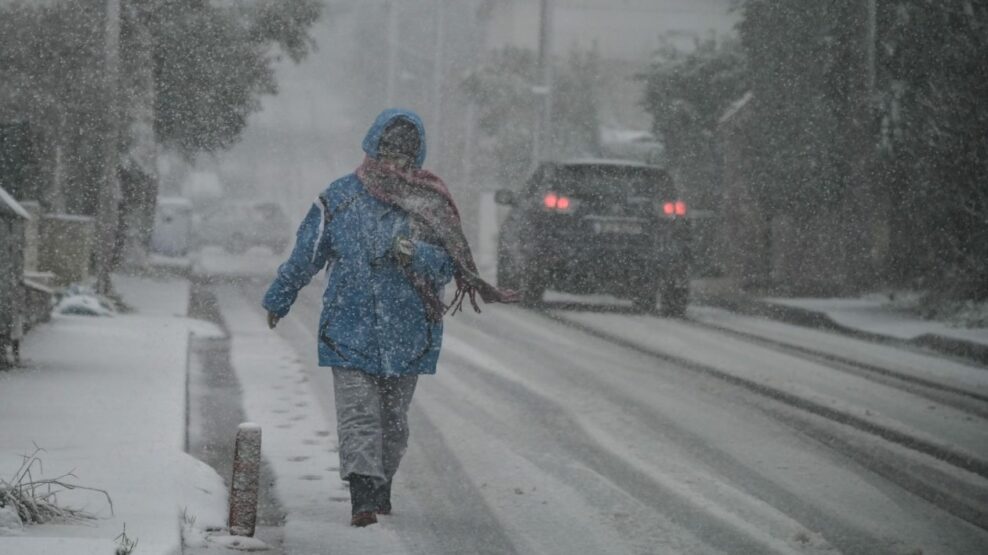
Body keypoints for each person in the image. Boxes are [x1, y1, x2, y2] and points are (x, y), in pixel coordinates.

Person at [262, 109, 517, 527]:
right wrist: (281, 296)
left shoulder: (430, 205)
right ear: (373, 147)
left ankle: (381, 485)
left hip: (408, 332)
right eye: (388, 150)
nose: (395, 161)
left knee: (393, 424)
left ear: (416, 157)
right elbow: (307, 254)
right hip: (348, 328)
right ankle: (363, 494)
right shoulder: (339, 199)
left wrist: (415, 253)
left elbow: (448, 266)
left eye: (405, 153)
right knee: (359, 415)